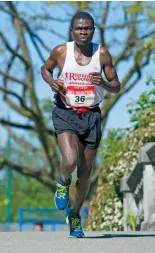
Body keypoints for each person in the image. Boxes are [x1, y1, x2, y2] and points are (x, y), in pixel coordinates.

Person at [41, 11, 121, 238]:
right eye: (79, 28)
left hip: (91, 115)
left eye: (87, 28)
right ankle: (63, 181)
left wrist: (104, 83)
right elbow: (45, 69)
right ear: (72, 31)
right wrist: (52, 82)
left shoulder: (102, 54)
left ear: (93, 30)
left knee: (85, 174)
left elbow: (116, 85)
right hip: (65, 112)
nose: (83, 32)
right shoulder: (61, 52)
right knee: (70, 160)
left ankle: (74, 215)